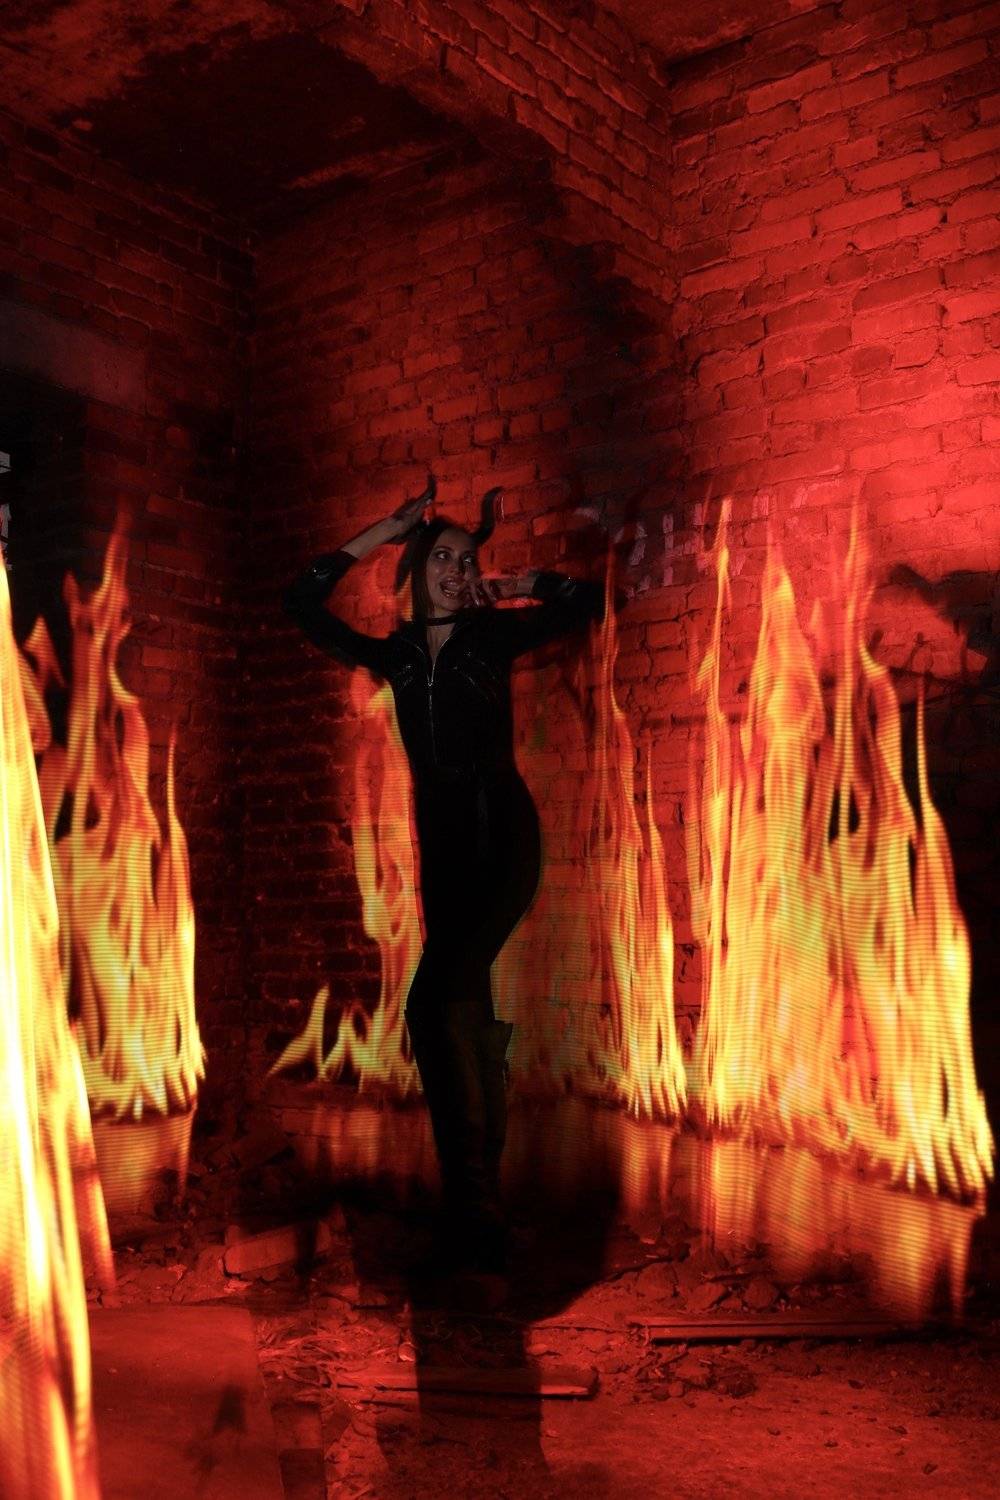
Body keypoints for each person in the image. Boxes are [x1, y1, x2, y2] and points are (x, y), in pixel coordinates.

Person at [283, 477, 604, 1272]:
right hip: (444, 847)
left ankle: (473, 1203)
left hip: (502, 839)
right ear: (417, 569)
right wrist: (381, 530)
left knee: (432, 1003)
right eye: (446, 560)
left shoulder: (491, 638)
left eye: (469, 562)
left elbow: (588, 602)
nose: (460, 573)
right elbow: (301, 602)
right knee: (463, 1005)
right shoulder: (396, 655)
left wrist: (518, 583)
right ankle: (479, 1209)